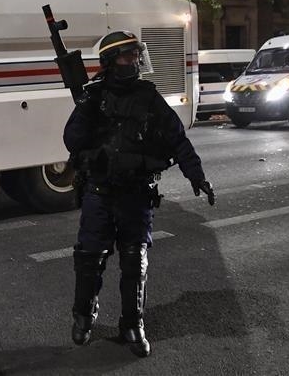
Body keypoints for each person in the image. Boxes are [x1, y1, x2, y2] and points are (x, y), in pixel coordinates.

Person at [63, 30, 215, 357]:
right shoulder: (93, 97)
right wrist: (85, 109)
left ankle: (132, 324)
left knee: (135, 261)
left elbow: (177, 138)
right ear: (110, 62)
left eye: (135, 55)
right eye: (127, 55)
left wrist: (197, 175)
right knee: (89, 258)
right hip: (100, 192)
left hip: (136, 194)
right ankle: (83, 317)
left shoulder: (148, 97)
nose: (134, 61)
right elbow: (72, 141)